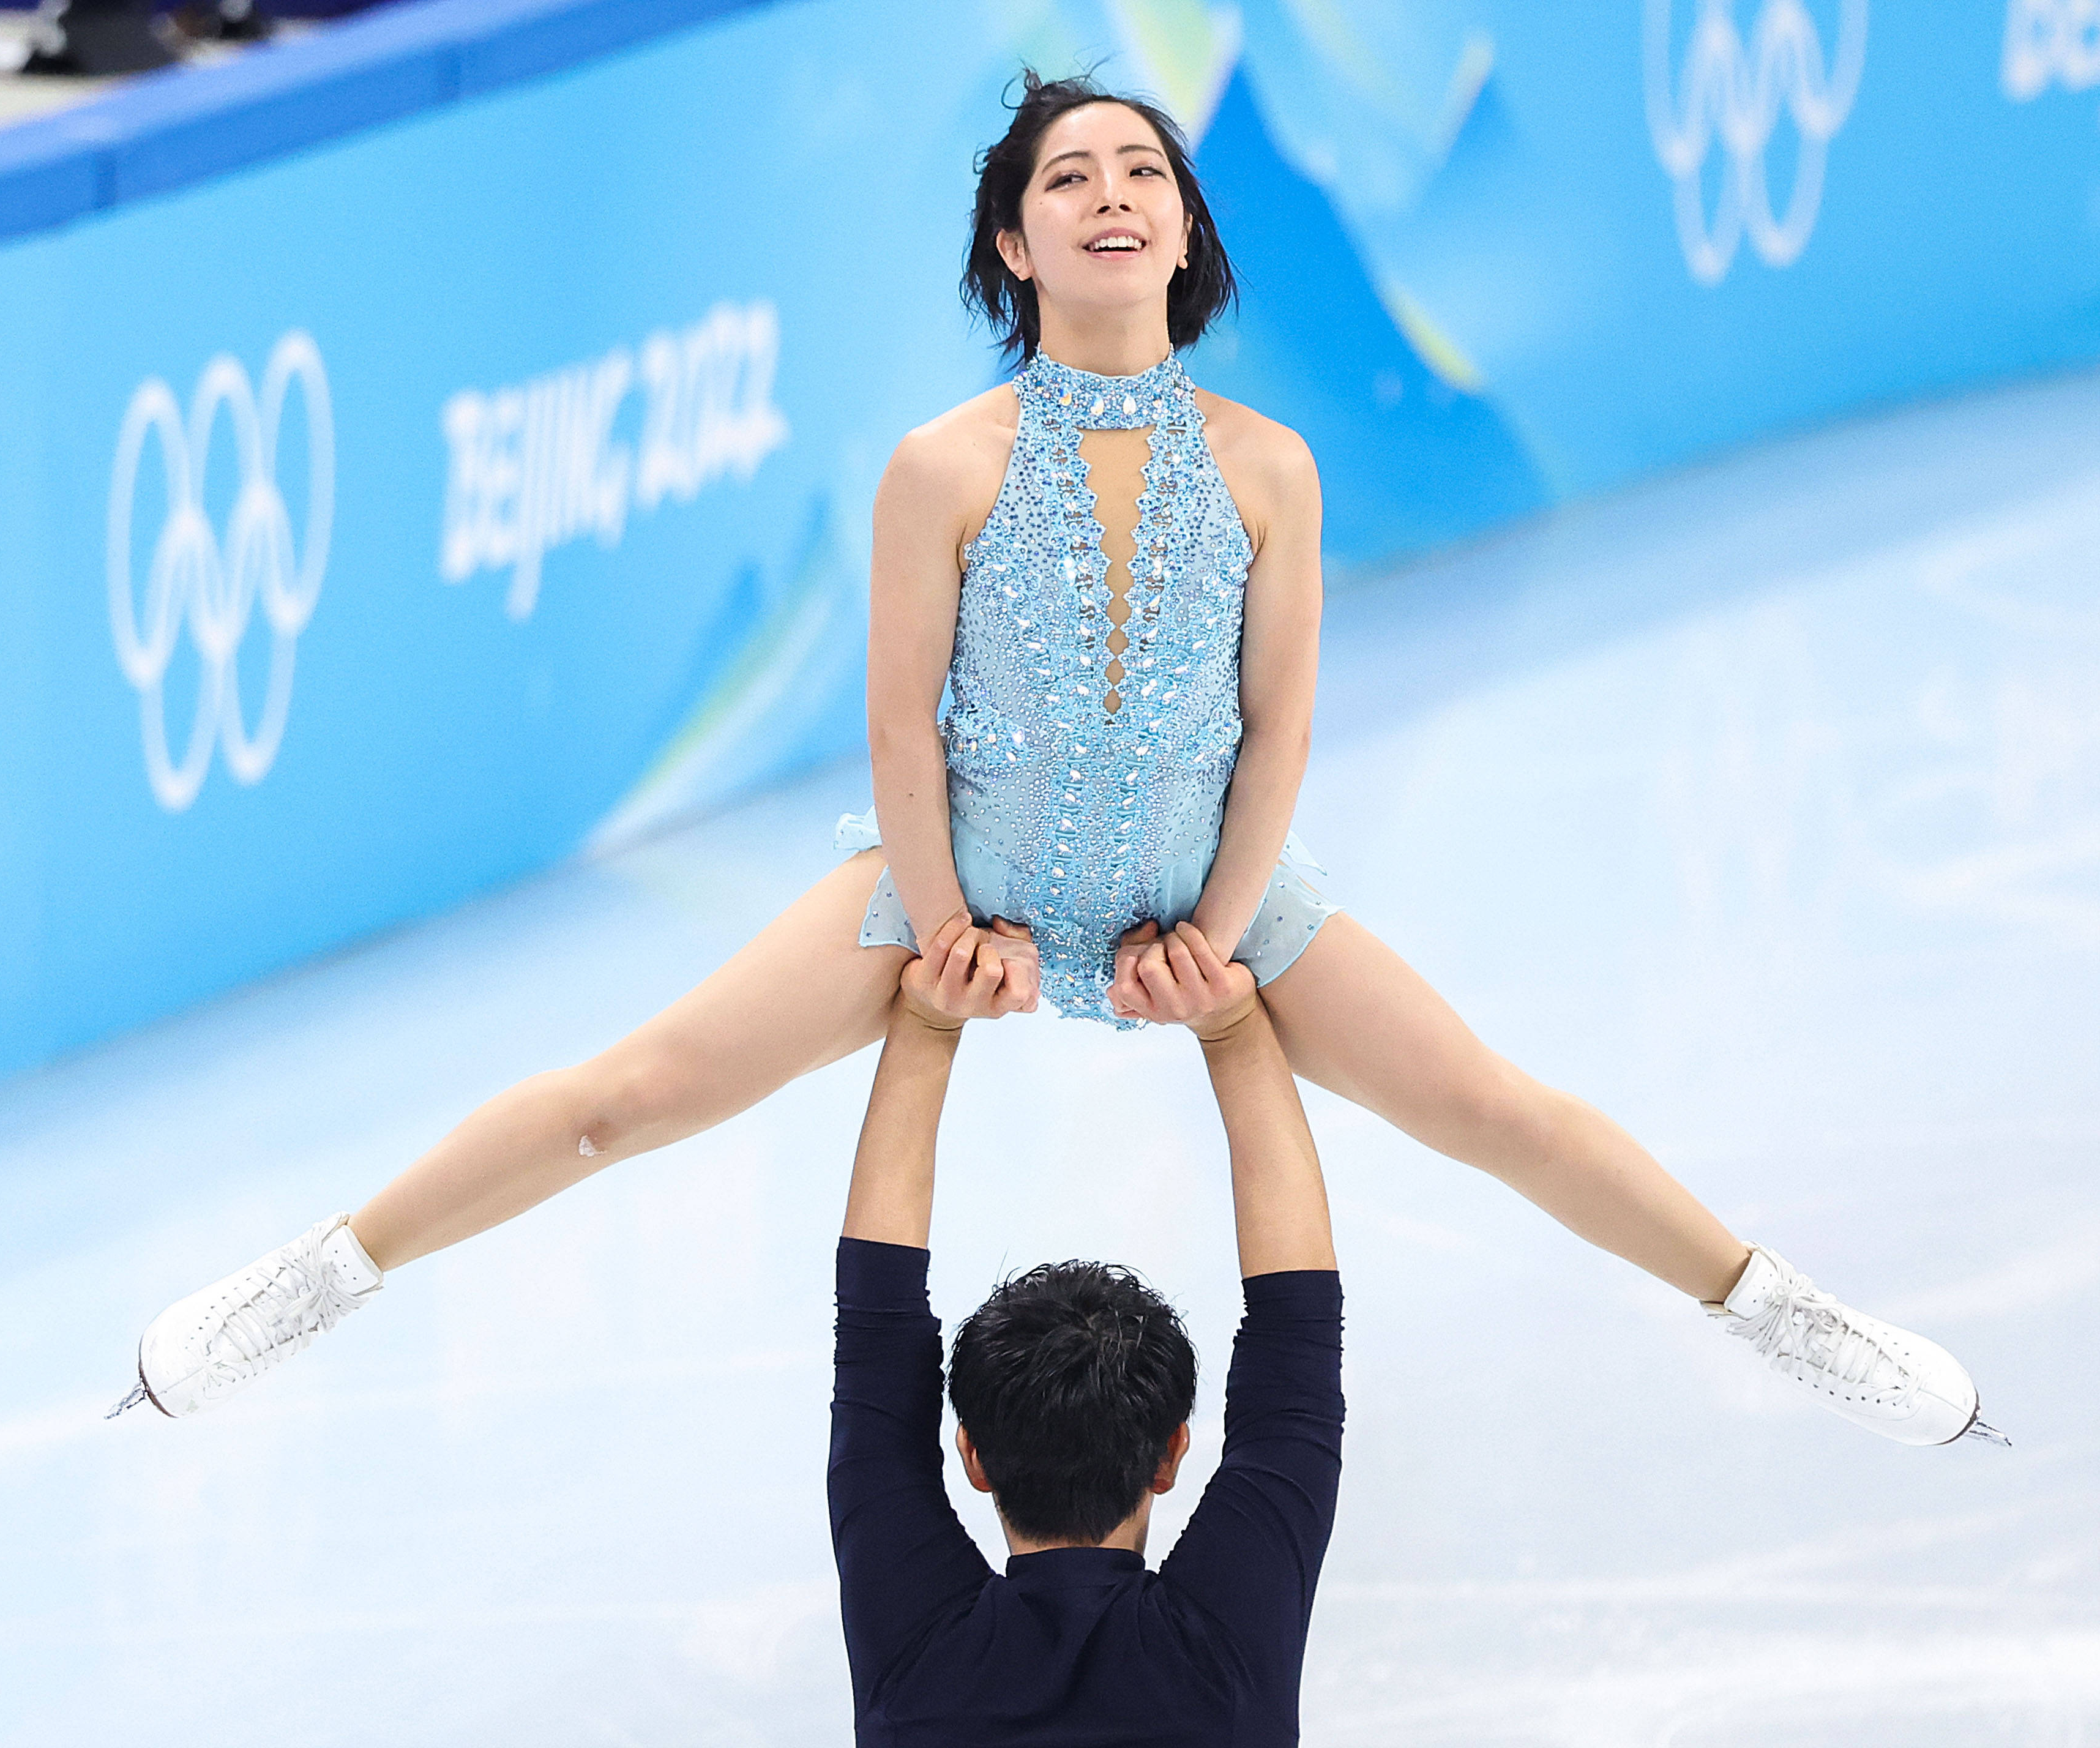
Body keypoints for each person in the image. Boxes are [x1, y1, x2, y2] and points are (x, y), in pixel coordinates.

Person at [118, 73, 2001, 1451]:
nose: (1114, 193)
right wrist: (939, 929)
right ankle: (322, 1275)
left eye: (1144, 171)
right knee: (635, 1092)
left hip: (1217, 889)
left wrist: (1228, 925)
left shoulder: (1271, 465)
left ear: (1185, 230)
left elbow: (1280, 728)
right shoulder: (941, 463)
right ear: (1011, 244)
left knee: (1487, 1109)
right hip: (958, 884)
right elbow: (891, 725)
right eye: (1069, 177)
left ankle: (1776, 1308)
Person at [832, 914, 1340, 1744]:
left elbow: (875, 1341)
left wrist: (927, 1022)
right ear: (1172, 1452)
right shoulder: (1221, 1667)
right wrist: (1235, 1027)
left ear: (975, 1458)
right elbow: (1298, 1354)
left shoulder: (923, 1662)